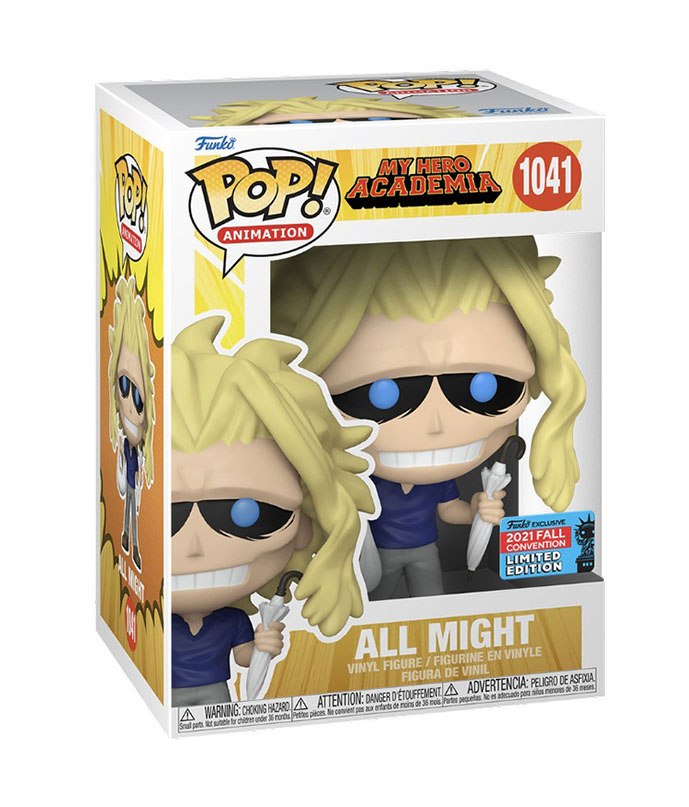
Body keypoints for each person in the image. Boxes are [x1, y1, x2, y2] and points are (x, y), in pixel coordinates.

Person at [272, 237, 586, 599]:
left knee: (430, 599)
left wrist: (476, 510)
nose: (436, 427)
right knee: (380, 603)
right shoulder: (366, 480)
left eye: (485, 388)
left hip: (425, 552)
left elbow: (449, 511)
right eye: (380, 395)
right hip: (381, 558)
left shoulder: (437, 482)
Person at [170, 317, 375, 705]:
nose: (195, 548)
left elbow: (244, 659)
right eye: (169, 518)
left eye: (246, 514)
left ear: (306, 523)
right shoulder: (157, 620)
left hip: (217, 695)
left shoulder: (232, 621)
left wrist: (265, 644)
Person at [108, 276, 155, 572]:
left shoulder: (137, 445)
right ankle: (128, 540)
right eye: (123, 386)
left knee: (132, 517)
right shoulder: (127, 443)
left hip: (134, 485)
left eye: (137, 398)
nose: (128, 404)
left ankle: (133, 544)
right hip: (129, 485)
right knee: (128, 514)